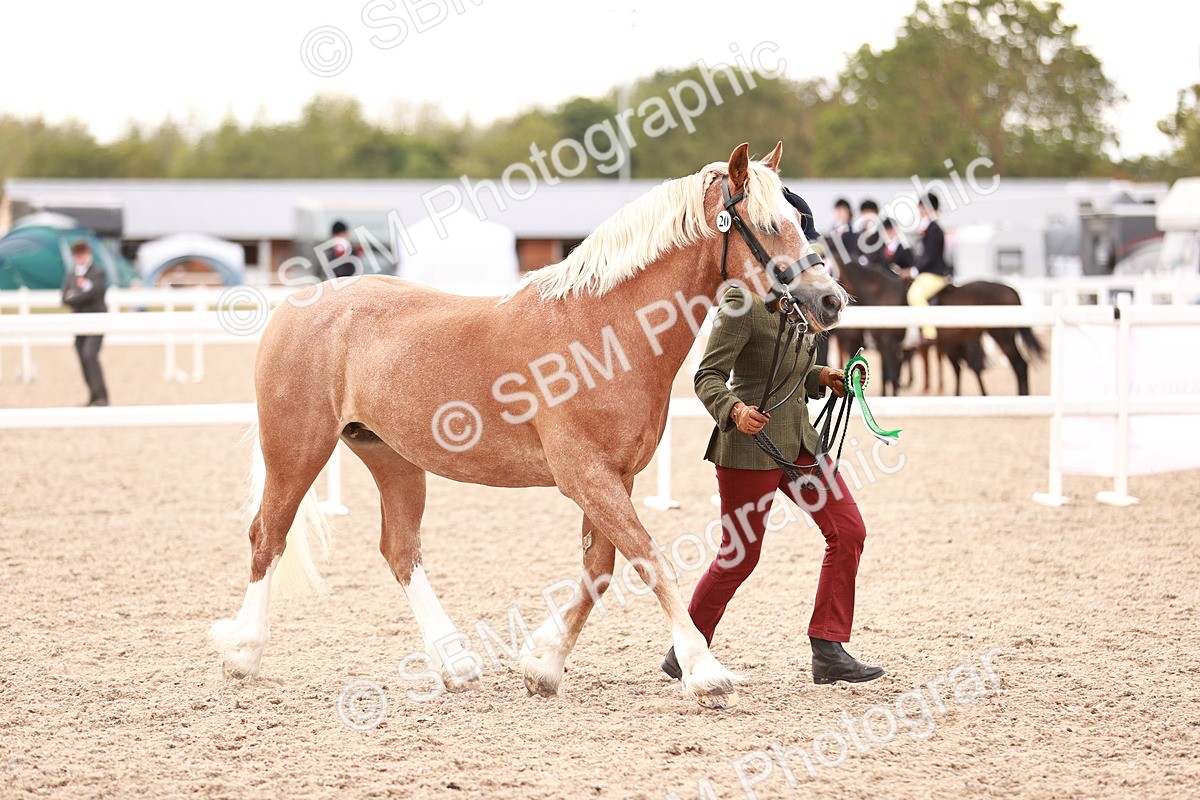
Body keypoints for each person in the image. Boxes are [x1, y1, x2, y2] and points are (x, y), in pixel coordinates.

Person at [659, 215, 885, 686]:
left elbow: (790, 370)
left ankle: (828, 647)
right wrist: (735, 409)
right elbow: (707, 377)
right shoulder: (742, 302)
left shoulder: (799, 303)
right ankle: (687, 648)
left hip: (800, 442)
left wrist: (823, 377)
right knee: (740, 554)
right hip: (749, 445)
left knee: (848, 531)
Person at [60, 240, 109, 406]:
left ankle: (102, 396)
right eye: (76, 253)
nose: (79, 256)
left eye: (82, 252)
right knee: (82, 357)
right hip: (78, 321)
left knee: (90, 355)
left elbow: (95, 293)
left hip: (96, 320)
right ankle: (93, 395)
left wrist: (76, 295)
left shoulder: (97, 272)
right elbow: (64, 297)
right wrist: (78, 295)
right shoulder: (71, 274)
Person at [906, 193, 951, 344]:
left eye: (922, 207)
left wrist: (913, 271)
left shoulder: (934, 229)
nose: (920, 210)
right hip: (927, 273)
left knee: (915, 295)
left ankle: (929, 332)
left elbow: (930, 255)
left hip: (935, 274)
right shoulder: (926, 228)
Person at [855, 199, 886, 269]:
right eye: (866, 213)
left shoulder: (882, 232)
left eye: (871, 213)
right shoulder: (858, 234)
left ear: (877, 213)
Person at [827, 198, 857, 265]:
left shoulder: (853, 231)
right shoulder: (832, 230)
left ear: (848, 212)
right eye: (837, 210)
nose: (839, 213)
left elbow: (853, 251)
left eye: (841, 210)